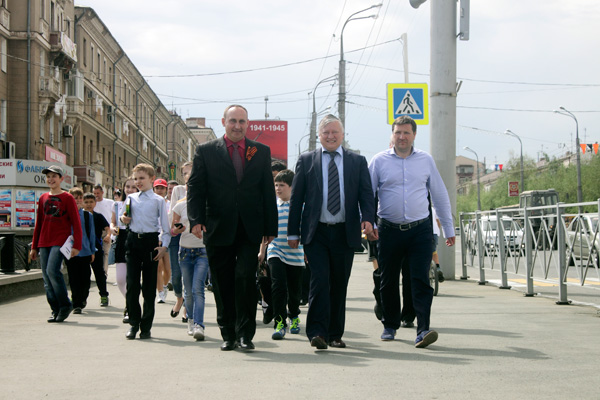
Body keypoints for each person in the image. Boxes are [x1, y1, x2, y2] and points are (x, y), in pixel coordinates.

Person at [187, 104, 278, 351]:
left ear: (248, 124)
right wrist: (195, 220)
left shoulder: (260, 151)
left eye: (242, 121)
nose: (237, 126)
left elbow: (267, 190)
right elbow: (196, 187)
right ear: (224, 122)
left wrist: (270, 226)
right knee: (221, 281)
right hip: (217, 226)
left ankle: (245, 334)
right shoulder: (206, 151)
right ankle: (227, 333)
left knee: (245, 278)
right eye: (233, 121)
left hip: (250, 227)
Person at [288, 114, 375, 350]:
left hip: (345, 233)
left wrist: (368, 219)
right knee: (319, 280)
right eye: (326, 132)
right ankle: (317, 332)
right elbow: (296, 200)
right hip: (316, 233)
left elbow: (367, 195)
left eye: (335, 132)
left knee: (339, 283)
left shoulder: (357, 161)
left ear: (342, 134)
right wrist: (293, 233)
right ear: (319, 135)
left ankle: (335, 333)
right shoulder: (307, 161)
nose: (330, 136)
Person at [368, 115, 455, 349]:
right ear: (392, 135)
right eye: (398, 132)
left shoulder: (425, 161)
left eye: (406, 132)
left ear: (414, 135)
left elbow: (439, 195)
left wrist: (448, 227)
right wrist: (366, 223)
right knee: (388, 280)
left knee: (420, 280)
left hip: (419, 231)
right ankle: (390, 324)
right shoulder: (379, 161)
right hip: (387, 230)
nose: (402, 137)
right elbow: (367, 195)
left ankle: (423, 329)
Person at [120, 163, 170, 340]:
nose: (138, 182)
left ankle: (146, 326)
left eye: (141, 178)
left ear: (151, 179)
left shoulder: (158, 201)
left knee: (149, 288)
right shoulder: (131, 198)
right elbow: (124, 218)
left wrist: (163, 246)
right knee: (132, 284)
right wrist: (123, 218)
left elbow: (165, 227)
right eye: (135, 179)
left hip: (151, 243)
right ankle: (134, 322)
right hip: (133, 241)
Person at [30, 165, 82, 323]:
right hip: (43, 240)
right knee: (46, 276)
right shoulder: (43, 198)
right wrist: (33, 246)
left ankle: (65, 305)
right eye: (48, 176)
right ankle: (55, 308)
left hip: (60, 240)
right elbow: (39, 223)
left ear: (61, 179)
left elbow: (76, 223)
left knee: (52, 271)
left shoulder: (67, 198)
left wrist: (77, 246)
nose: (50, 179)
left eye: (54, 176)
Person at [258, 169, 305, 340]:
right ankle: (279, 322)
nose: (278, 188)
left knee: (294, 292)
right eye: (276, 185)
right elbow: (265, 232)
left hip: (296, 254)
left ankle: (293, 316)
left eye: (282, 185)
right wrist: (262, 251)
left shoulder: (300, 206)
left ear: (291, 187)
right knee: (278, 287)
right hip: (275, 250)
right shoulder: (272, 206)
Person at [171, 190, 209, 341]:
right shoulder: (179, 206)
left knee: (198, 289)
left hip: (203, 251)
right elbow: (172, 230)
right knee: (188, 291)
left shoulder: (208, 204)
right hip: (185, 251)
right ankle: (191, 321)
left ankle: (199, 325)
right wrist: (177, 229)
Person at [168, 162, 193, 322]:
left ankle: (186, 308)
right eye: (184, 173)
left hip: (192, 237)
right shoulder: (177, 190)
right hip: (176, 237)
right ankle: (179, 298)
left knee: (188, 277)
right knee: (176, 275)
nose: (187, 175)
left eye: (190, 172)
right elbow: (172, 215)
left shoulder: (201, 189)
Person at [110, 177, 137, 322]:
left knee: (133, 279)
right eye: (127, 186)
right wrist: (112, 228)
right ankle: (131, 302)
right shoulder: (117, 204)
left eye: (133, 187)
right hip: (121, 239)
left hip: (135, 238)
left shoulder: (140, 203)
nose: (130, 189)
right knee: (120, 280)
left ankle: (130, 307)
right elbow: (113, 222)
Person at [66, 188, 96, 314]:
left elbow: (92, 233)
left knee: (85, 277)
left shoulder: (87, 215)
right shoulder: (66, 214)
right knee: (73, 277)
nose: (77, 201)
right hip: (69, 250)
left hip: (85, 250)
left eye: (79, 198)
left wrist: (93, 250)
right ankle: (76, 302)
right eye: (74, 198)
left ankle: (83, 298)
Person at [83, 193, 111, 307]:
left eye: (91, 202)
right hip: (83, 250)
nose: (89, 204)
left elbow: (108, 228)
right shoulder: (80, 216)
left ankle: (104, 295)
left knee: (99, 274)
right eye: (86, 202)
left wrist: (108, 236)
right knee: (84, 275)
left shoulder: (98, 216)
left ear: (95, 203)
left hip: (96, 249)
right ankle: (80, 298)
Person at [153, 178, 171, 303]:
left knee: (168, 269)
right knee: (158, 267)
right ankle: (160, 293)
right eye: (157, 188)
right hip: (154, 238)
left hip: (167, 238)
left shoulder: (170, 203)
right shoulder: (151, 203)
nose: (159, 190)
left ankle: (164, 287)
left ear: (166, 190)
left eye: (162, 188)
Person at [93, 185, 114, 275]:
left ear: (102, 193)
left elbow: (114, 217)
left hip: (106, 230)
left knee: (105, 252)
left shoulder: (110, 202)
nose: (96, 195)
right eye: (94, 193)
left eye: (98, 193)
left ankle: (104, 273)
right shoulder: (92, 203)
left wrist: (111, 233)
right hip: (94, 231)